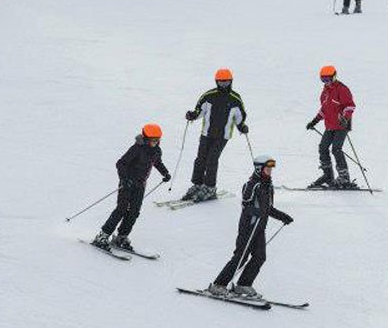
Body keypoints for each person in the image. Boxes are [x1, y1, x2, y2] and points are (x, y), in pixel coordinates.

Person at [208, 155, 293, 299]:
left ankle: (243, 284)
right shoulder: (252, 185)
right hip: (248, 227)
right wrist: (257, 212)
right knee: (241, 256)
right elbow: (245, 205)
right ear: (259, 169)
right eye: (267, 169)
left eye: (271, 169)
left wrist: (283, 217)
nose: (270, 171)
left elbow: (269, 208)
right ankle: (218, 285)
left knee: (260, 257)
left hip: (260, 228)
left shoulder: (268, 186)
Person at [93, 124, 170, 251]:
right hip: (127, 184)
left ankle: (121, 236)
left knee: (134, 211)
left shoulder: (157, 151)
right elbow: (121, 163)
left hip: (140, 185)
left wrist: (165, 173)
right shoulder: (136, 149)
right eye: (153, 140)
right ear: (146, 139)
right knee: (121, 209)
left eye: (157, 140)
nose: (155, 142)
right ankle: (103, 236)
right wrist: (124, 179)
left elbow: (157, 162)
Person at [182, 68, 248, 202]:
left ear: (231, 82)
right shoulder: (209, 96)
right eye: (221, 82)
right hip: (206, 133)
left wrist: (241, 126)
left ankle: (210, 188)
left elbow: (239, 116)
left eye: (226, 82)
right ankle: (198, 184)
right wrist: (193, 115)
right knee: (200, 158)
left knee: (212, 159)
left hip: (223, 136)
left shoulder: (235, 99)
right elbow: (199, 110)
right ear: (216, 82)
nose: (223, 85)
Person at [306, 65, 357, 189]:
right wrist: (314, 121)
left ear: (334, 77)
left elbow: (350, 106)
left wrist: (345, 118)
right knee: (323, 148)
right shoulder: (325, 92)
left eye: (328, 79)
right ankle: (328, 175)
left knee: (336, 149)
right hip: (330, 126)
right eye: (323, 80)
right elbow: (325, 110)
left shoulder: (342, 89)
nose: (326, 82)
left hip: (342, 125)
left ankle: (344, 178)